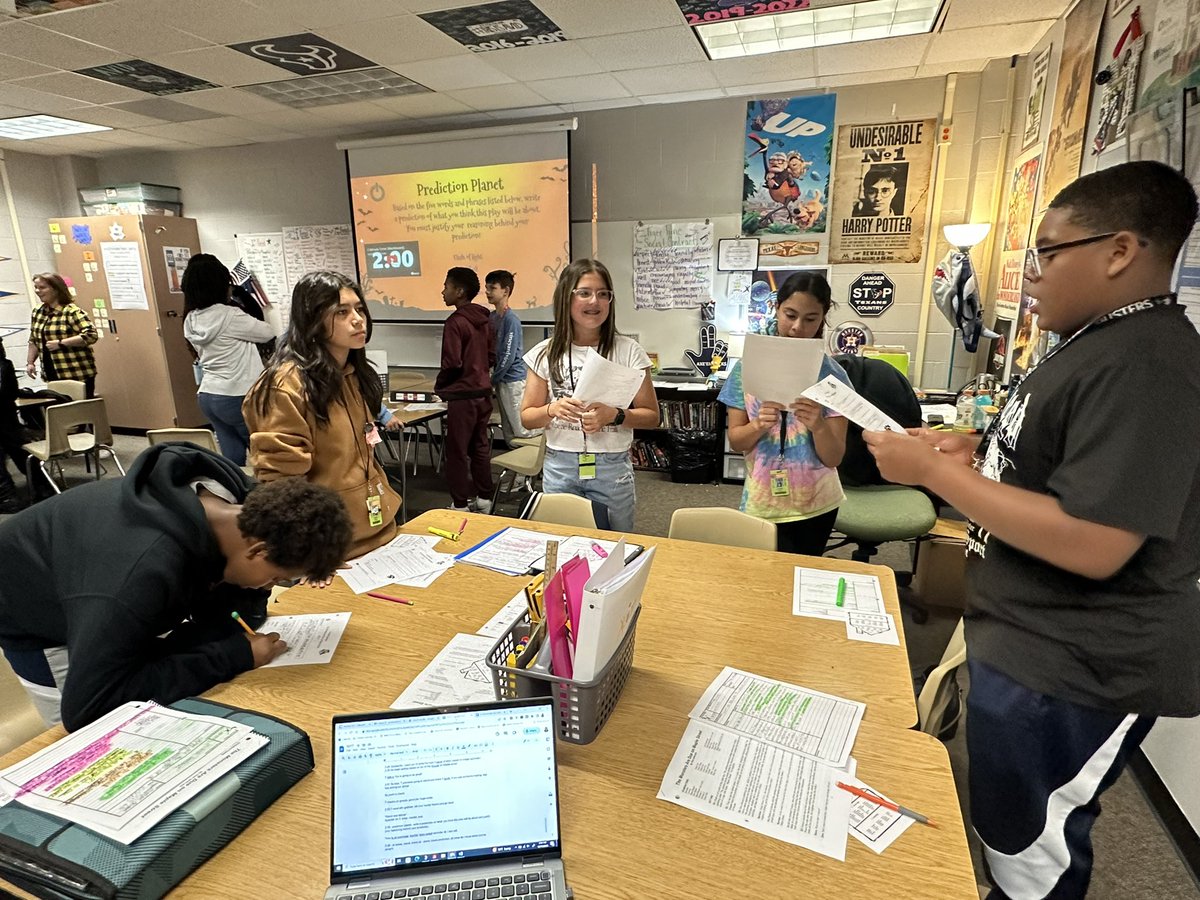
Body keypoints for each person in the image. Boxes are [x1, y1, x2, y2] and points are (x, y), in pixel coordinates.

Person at [864, 160, 1200, 899]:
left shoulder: (1148, 360)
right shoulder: (1094, 342)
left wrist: (936, 476)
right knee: (999, 823)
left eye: (1049, 252)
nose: (1033, 275)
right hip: (1023, 639)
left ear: (1119, 251)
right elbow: (1064, 466)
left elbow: (1093, 539)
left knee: (1029, 851)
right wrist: (978, 454)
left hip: (1074, 664)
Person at [0, 441, 352, 731]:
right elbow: (90, 707)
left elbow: (227, 608)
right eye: (275, 578)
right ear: (258, 550)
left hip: (100, 587)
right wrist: (232, 656)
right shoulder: (134, 579)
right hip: (38, 619)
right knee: (87, 744)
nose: (271, 586)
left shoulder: (240, 503)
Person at [244, 271, 401, 560]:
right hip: (329, 550)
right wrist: (311, 555)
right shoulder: (287, 387)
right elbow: (283, 486)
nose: (358, 319)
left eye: (359, 309)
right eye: (342, 311)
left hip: (380, 531)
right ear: (312, 320)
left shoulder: (355, 375)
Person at [520, 259, 659, 533]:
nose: (594, 301)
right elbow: (527, 418)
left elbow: (652, 417)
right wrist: (552, 409)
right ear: (566, 298)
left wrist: (616, 415)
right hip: (561, 465)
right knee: (563, 544)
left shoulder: (628, 351)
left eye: (603, 293)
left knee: (615, 547)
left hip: (611, 468)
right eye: (584, 292)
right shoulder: (544, 353)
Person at [718, 271, 850, 555]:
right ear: (776, 308)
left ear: (823, 318)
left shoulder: (833, 376)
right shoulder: (747, 368)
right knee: (761, 582)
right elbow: (737, 441)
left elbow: (834, 457)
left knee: (803, 579)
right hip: (763, 499)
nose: (797, 327)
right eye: (790, 314)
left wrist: (819, 426)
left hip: (815, 502)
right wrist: (758, 426)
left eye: (811, 319)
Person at [182, 254, 276, 466]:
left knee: (233, 460)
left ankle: (237, 495)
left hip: (208, 396)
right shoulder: (230, 315)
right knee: (265, 456)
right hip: (237, 396)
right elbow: (267, 332)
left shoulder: (190, 318)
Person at [437, 267, 496, 513]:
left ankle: (459, 504)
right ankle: (485, 499)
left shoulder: (455, 322)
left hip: (462, 397)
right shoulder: (486, 320)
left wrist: (442, 387)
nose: (443, 292)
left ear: (459, 292)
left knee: (458, 452)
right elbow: (492, 356)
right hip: (483, 393)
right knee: (480, 447)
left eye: (446, 286)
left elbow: (451, 363)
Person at [485, 269, 539, 448]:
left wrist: (493, 378)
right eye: (486, 288)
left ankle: (534, 460)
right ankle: (517, 470)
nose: (487, 292)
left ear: (506, 291)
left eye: (492, 288)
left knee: (521, 428)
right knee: (508, 429)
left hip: (512, 380)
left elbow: (508, 356)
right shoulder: (492, 317)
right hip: (500, 380)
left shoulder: (511, 320)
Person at [25, 273, 99, 397]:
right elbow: (34, 339)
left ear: (56, 289)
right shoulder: (38, 312)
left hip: (76, 373)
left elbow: (91, 334)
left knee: (78, 412)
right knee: (61, 412)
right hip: (52, 373)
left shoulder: (71, 312)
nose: (38, 291)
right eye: (36, 287)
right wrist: (30, 362)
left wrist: (61, 343)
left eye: (42, 288)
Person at [0, 341, 30, 513]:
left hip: (5, 418)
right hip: (7, 418)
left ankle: (6, 496)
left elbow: (7, 393)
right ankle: (42, 485)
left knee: (16, 449)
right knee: (17, 449)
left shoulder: (3, 366)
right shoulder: (4, 365)